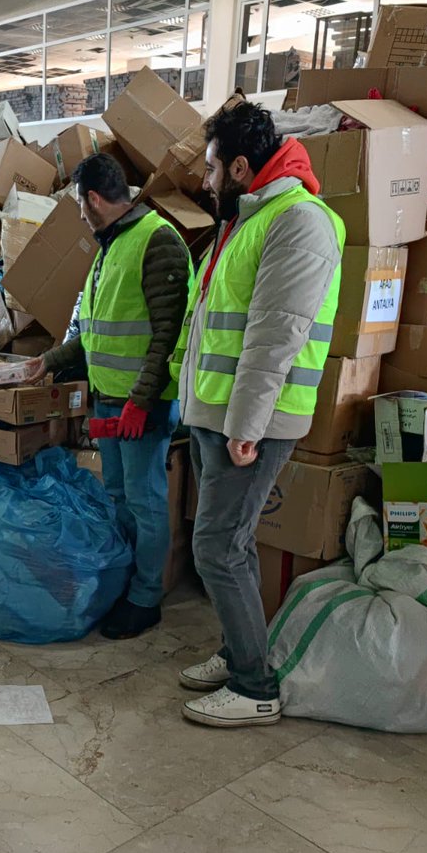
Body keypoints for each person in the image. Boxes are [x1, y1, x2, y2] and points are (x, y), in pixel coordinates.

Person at [175, 100, 343, 729]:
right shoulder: (251, 217)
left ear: (243, 167)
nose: (207, 180)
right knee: (228, 546)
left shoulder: (298, 222)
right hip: (217, 414)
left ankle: (255, 686)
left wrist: (245, 424)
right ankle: (238, 648)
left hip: (250, 422)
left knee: (219, 547)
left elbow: (276, 337)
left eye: (215, 168)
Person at [23, 153, 192, 640]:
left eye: (79, 203)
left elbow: (168, 335)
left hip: (142, 406)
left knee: (145, 502)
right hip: (111, 402)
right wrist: (50, 362)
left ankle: (145, 599)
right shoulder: (110, 246)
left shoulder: (157, 241)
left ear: (93, 199)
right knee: (118, 497)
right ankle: (123, 580)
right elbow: (97, 334)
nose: (79, 213)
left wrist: (142, 401)